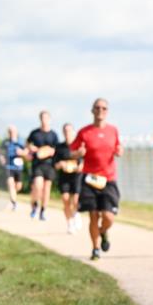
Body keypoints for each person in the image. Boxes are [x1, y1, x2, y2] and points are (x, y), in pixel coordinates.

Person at [70, 98, 123, 260]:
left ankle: (103, 231)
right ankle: (95, 249)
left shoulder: (113, 130)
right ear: (92, 110)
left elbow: (118, 147)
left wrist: (119, 150)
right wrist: (78, 154)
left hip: (108, 179)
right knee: (93, 215)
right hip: (89, 179)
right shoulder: (84, 132)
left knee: (108, 217)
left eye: (104, 108)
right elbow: (72, 152)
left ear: (107, 111)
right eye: (97, 107)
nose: (101, 110)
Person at [26, 110, 59, 221]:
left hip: (49, 165)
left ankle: (43, 211)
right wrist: (31, 150)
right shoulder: (35, 133)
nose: (44, 120)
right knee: (38, 187)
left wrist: (49, 151)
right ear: (40, 119)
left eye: (46, 118)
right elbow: (28, 144)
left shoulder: (53, 135)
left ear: (49, 119)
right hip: (37, 164)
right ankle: (35, 206)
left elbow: (56, 150)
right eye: (42, 118)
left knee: (46, 189)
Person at [54, 123, 83, 234]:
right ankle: (70, 224)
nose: (67, 133)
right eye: (65, 131)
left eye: (69, 130)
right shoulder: (59, 147)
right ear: (63, 132)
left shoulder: (79, 146)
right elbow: (55, 165)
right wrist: (60, 164)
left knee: (75, 200)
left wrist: (80, 166)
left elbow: (84, 161)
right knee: (66, 201)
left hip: (76, 176)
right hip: (64, 177)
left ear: (73, 131)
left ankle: (76, 214)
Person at [0, 125, 27, 210]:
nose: (11, 133)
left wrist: (22, 152)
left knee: (18, 186)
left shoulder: (21, 141)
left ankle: (13, 196)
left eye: (13, 131)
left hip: (18, 167)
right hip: (9, 166)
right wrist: (1, 158)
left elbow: (27, 152)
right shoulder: (5, 142)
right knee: (11, 184)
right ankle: (14, 203)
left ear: (16, 132)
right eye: (10, 132)